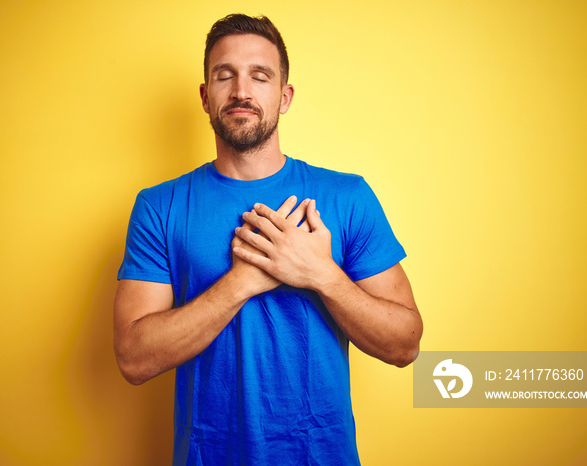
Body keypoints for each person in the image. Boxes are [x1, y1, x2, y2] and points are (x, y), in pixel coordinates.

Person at [114, 13, 422, 465]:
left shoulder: (347, 196)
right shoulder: (159, 207)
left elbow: (405, 345)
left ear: (284, 96)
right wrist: (243, 281)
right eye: (225, 75)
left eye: (260, 76)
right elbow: (133, 360)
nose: (242, 91)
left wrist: (320, 274)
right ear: (205, 96)